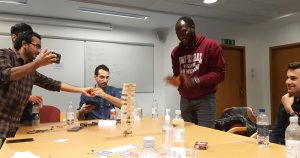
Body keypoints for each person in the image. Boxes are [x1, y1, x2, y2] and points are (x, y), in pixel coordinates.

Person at [0, 31, 95, 147]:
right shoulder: (5, 54)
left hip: (14, 129)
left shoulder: (31, 72)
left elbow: (53, 84)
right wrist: (38, 63)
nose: (39, 51)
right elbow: (6, 74)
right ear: (24, 44)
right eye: (37, 46)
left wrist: (82, 89)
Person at [165, 16, 225, 128]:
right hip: (185, 100)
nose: (181, 36)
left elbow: (219, 74)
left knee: (205, 136)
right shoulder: (176, 52)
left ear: (193, 27)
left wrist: (196, 80)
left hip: (205, 99)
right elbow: (177, 74)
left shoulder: (211, 46)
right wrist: (176, 81)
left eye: (184, 31)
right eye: (178, 34)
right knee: (188, 135)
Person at [9, 23, 44, 125]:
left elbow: (51, 83)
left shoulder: (28, 63)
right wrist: (27, 97)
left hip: (24, 115)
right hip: (7, 119)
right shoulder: (4, 56)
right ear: (14, 37)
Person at [270, 62, 300, 145]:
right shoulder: (287, 100)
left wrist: (289, 110)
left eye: (293, 78)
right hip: (282, 148)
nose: (287, 82)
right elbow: (276, 131)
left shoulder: (287, 104)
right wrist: (270, 147)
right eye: (287, 78)